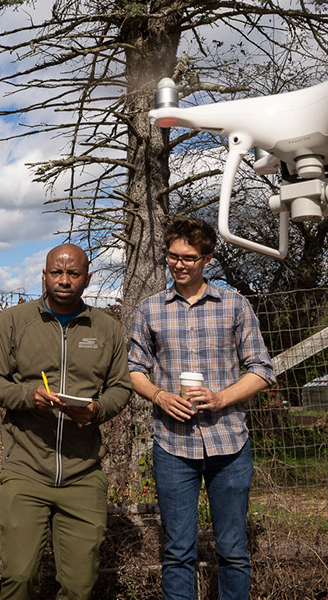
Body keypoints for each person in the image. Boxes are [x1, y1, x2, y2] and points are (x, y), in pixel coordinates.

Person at [126, 216, 275, 600]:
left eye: (189, 258)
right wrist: (159, 396)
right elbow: (133, 370)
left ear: (206, 259)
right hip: (173, 447)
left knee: (233, 551)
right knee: (178, 552)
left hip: (229, 444)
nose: (179, 264)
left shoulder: (234, 305)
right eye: (173, 256)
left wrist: (221, 397)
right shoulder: (150, 309)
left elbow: (261, 369)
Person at [0, 243, 132, 600]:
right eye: (57, 272)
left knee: (79, 587)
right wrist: (27, 395)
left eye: (73, 273)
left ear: (87, 278)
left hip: (83, 472)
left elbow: (121, 387)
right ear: (44, 275)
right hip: (26, 470)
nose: (64, 280)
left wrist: (96, 410)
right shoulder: (14, 321)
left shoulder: (107, 327)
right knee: (19, 577)